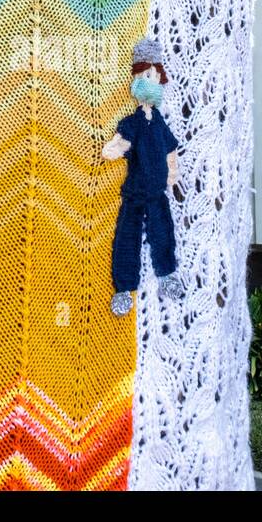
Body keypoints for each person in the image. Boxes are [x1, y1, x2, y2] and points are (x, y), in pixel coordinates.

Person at [102, 37, 183, 317]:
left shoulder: (160, 123)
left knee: (163, 233)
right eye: (145, 75)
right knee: (128, 236)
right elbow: (122, 143)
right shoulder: (134, 122)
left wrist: (171, 173)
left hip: (157, 192)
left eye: (154, 76)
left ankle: (167, 274)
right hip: (135, 192)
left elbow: (170, 150)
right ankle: (124, 288)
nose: (152, 81)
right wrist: (115, 148)